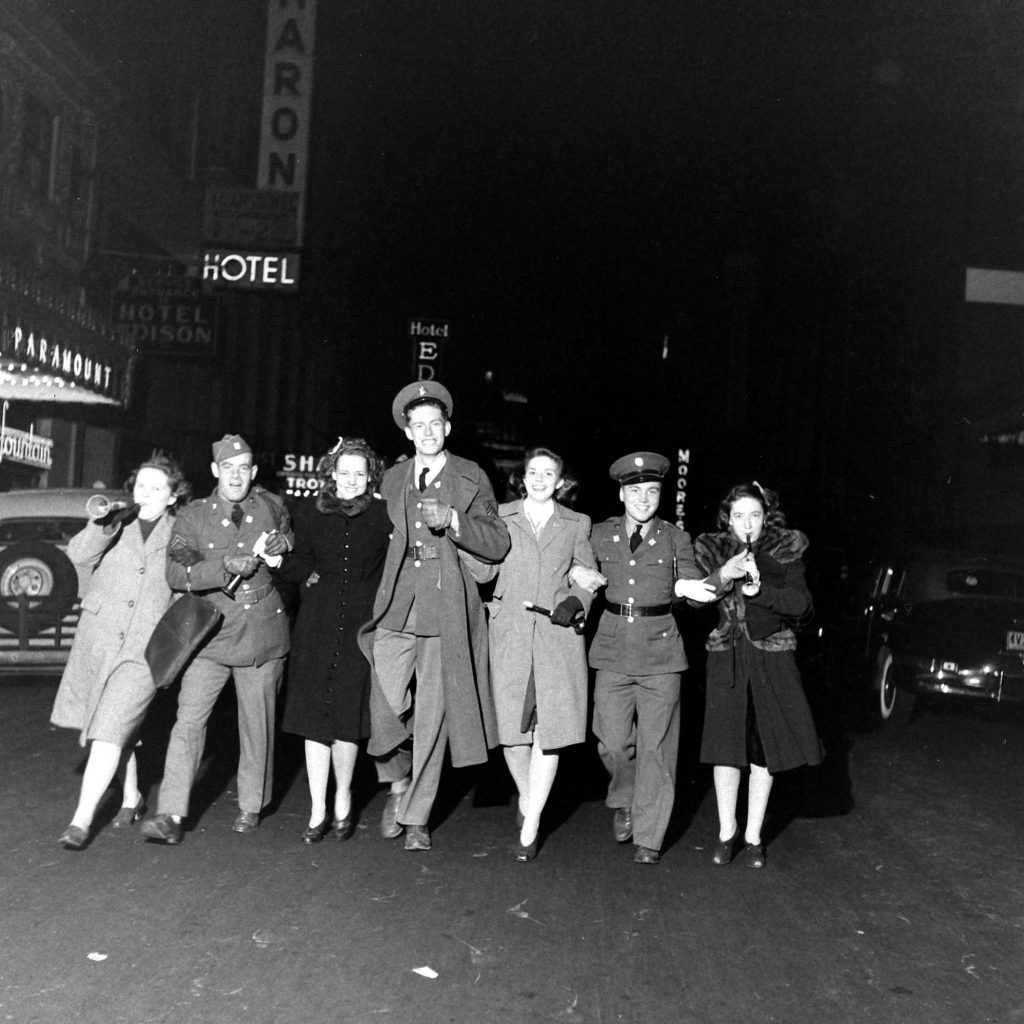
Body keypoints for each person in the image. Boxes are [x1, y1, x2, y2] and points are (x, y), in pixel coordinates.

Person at [359, 380, 510, 852]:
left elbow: (498, 541)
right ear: (407, 432)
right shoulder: (392, 479)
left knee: (433, 715)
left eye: (434, 424)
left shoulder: (470, 476)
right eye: (417, 425)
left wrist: (457, 521)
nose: (426, 432)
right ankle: (397, 780)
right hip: (397, 604)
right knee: (385, 702)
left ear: (447, 427)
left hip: (446, 604)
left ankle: (418, 816)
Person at [141, 434, 293, 845]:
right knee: (189, 720)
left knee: (256, 722)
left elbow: (289, 545)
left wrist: (283, 546)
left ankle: (251, 805)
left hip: (262, 628)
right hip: (210, 633)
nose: (237, 476)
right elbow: (177, 571)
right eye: (229, 468)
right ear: (215, 471)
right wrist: (223, 565)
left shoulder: (272, 506)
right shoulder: (193, 517)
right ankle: (170, 813)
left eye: (244, 467)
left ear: (254, 472)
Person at [583, 451, 716, 865]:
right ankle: (623, 795)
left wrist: (696, 591)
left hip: (661, 652)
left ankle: (649, 836)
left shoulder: (676, 539)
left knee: (657, 748)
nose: (644, 499)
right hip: (612, 648)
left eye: (652, 491)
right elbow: (577, 569)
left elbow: (692, 583)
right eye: (635, 491)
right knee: (612, 743)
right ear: (622, 494)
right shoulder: (599, 534)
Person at [51, 453, 190, 849]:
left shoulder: (180, 532)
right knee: (109, 727)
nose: (146, 493)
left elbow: (187, 584)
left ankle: (80, 821)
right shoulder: (115, 522)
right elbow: (77, 556)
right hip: (100, 639)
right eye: (140, 486)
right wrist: (102, 524)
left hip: (145, 650)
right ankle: (131, 795)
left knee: (109, 727)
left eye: (156, 488)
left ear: (172, 497)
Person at [693, 481, 823, 868]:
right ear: (726, 519)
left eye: (754, 515)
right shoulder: (710, 548)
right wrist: (724, 574)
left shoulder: (785, 549)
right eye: (738, 516)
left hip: (772, 659)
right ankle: (725, 833)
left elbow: (802, 605)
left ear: (767, 517)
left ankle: (752, 838)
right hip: (727, 655)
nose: (746, 523)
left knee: (763, 747)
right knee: (725, 748)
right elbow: (694, 599)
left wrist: (760, 590)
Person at [275, 437, 392, 843]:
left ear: (370, 477)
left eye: (359, 473)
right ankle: (317, 808)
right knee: (313, 719)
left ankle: (343, 796)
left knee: (346, 716)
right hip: (317, 625)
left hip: (361, 627)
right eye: (344, 473)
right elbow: (300, 564)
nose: (351, 480)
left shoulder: (383, 516)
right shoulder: (309, 512)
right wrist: (279, 563)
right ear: (331, 474)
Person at [488, 447, 598, 861]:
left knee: (549, 732)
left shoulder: (576, 522)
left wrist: (577, 600)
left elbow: (587, 575)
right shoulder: (501, 515)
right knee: (511, 733)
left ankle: (531, 824)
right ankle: (527, 797)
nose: (539, 479)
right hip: (509, 634)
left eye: (548, 473)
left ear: (560, 481)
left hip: (556, 636)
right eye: (532, 472)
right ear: (522, 477)